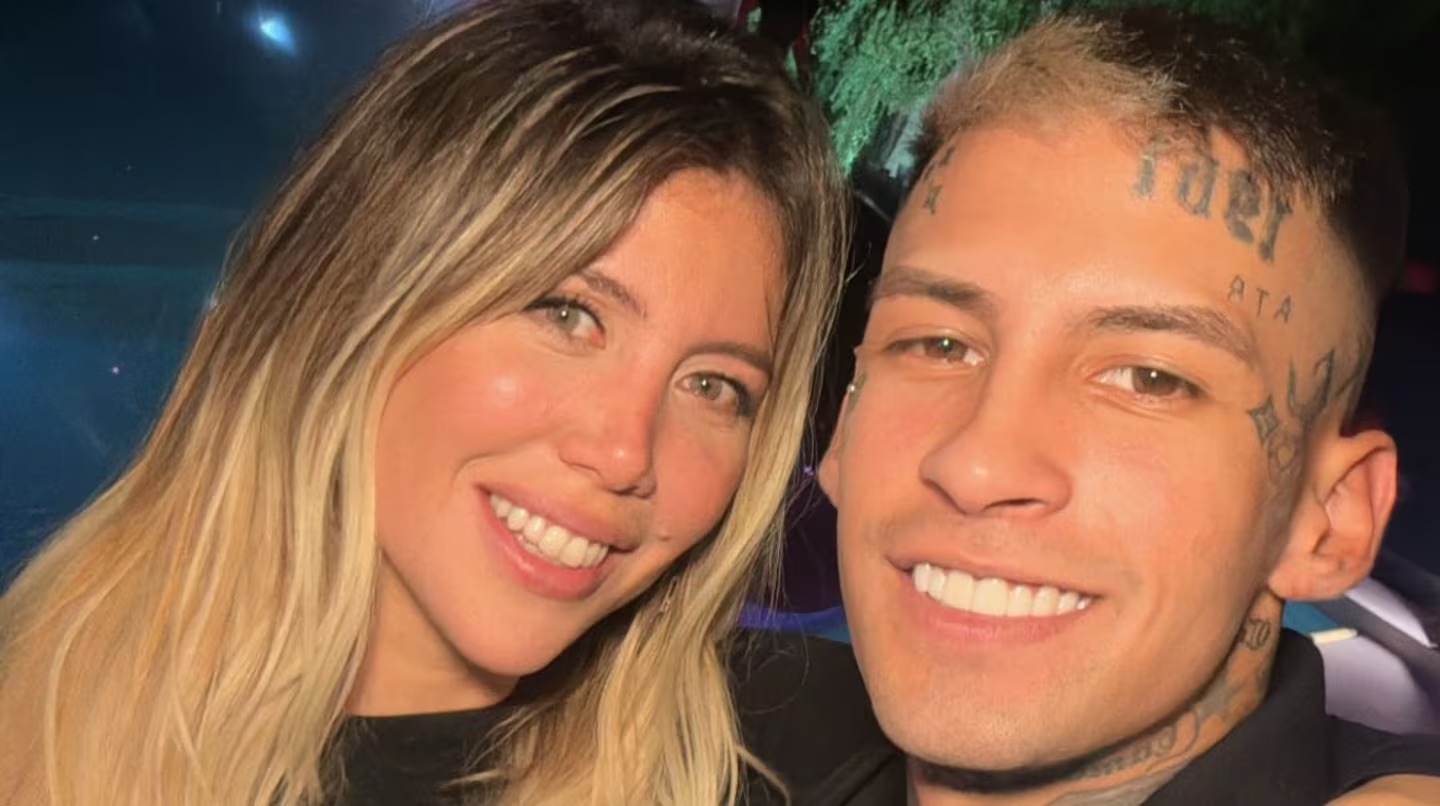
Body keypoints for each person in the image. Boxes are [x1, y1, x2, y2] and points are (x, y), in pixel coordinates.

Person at [0, 1, 846, 804]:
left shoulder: (794, 763)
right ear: (354, 296)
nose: (626, 452)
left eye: (713, 386)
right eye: (567, 314)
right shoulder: (35, 712)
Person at [738, 7, 1440, 805]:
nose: (977, 465)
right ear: (842, 425)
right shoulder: (693, 727)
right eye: (938, 344)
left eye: (1149, 378)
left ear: (1330, 518)